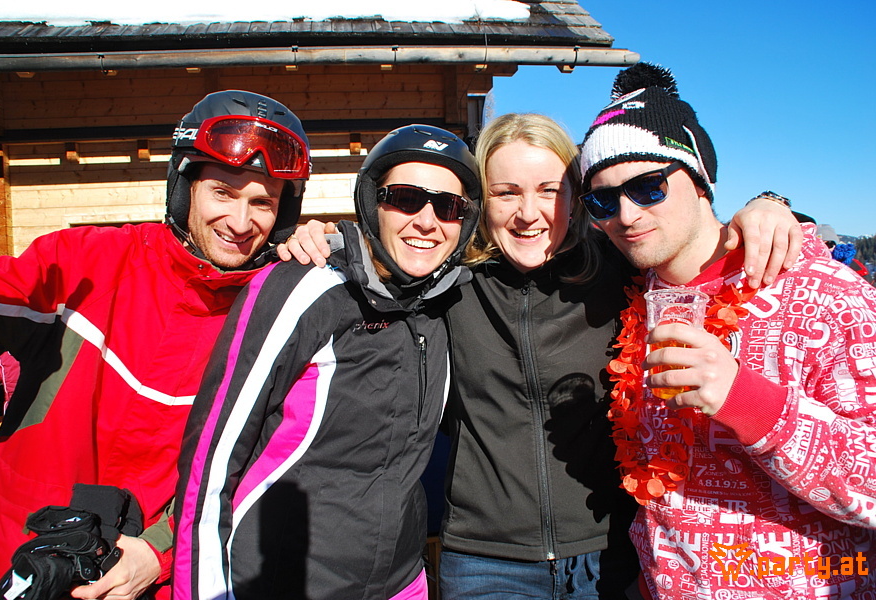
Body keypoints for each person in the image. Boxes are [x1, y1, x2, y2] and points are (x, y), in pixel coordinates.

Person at [281, 113, 801, 597]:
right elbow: (382, 260)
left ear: (574, 198)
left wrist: (767, 204)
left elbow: (690, 244)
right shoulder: (448, 287)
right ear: (481, 201)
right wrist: (320, 241)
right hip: (486, 561)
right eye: (505, 193)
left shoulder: (619, 274)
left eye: (548, 191)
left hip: (611, 552)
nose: (528, 214)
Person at [0, 89, 311, 600]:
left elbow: (256, 469)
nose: (241, 224)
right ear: (183, 188)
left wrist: (156, 551)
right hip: (12, 563)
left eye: (262, 202)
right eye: (222, 192)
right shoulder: (86, 263)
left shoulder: (273, 312)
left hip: (140, 583)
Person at [578, 62, 876, 598]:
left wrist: (747, 400)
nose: (625, 214)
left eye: (649, 187)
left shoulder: (822, 291)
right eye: (602, 199)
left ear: (700, 182)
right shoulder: (635, 294)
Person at [172, 124, 482, 600]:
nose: (426, 220)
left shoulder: (445, 307)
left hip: (401, 582)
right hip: (283, 581)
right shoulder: (306, 288)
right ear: (371, 203)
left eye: (448, 206)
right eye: (404, 198)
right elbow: (212, 460)